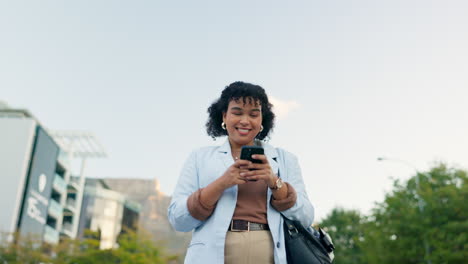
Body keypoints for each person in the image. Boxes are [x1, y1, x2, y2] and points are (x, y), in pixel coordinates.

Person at [168, 81, 314, 264]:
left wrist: (274, 181)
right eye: (237, 113)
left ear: (262, 120)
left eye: (254, 114)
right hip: (212, 256)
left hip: (269, 254)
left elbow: (306, 217)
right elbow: (178, 220)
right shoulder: (199, 157)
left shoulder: (285, 159)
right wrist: (221, 183)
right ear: (224, 116)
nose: (245, 121)